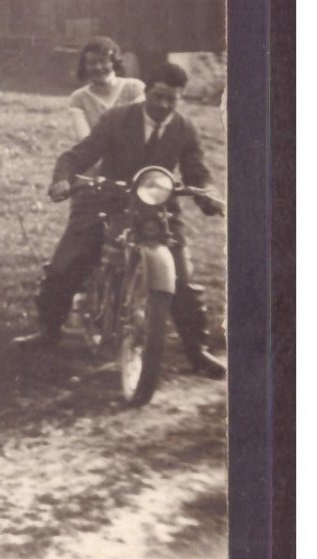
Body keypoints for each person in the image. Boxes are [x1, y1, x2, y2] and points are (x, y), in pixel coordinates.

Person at [14, 60, 226, 379]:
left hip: (158, 207)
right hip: (107, 199)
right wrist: (63, 179)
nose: (164, 105)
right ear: (146, 93)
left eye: (173, 98)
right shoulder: (118, 119)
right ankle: (50, 330)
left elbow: (197, 172)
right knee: (67, 263)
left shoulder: (184, 128)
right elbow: (79, 155)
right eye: (158, 96)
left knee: (183, 279)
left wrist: (209, 194)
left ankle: (197, 351)